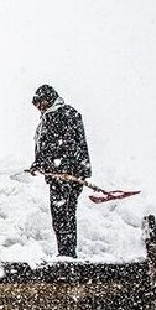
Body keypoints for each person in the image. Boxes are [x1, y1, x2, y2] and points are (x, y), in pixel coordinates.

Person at [28, 84, 92, 258]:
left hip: (67, 176)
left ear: (48, 99)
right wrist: (39, 164)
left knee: (64, 215)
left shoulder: (65, 114)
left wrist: (61, 167)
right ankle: (65, 253)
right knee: (61, 215)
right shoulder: (49, 117)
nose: (38, 107)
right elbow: (46, 147)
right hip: (59, 175)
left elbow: (69, 144)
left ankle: (67, 255)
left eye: (40, 102)